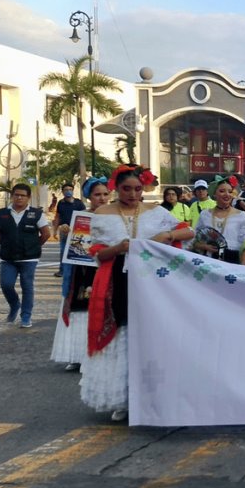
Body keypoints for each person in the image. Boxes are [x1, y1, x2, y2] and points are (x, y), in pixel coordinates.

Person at [83, 165, 193, 421]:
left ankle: (156, 394)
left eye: (137, 189)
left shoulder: (157, 213)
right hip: (117, 281)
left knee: (153, 332)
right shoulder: (102, 213)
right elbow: (96, 253)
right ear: (116, 188)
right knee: (123, 333)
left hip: (152, 281)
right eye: (126, 189)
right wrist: (119, 248)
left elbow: (189, 231)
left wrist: (166, 234)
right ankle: (123, 397)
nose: (133, 194)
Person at [51, 177, 111, 372]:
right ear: (89, 197)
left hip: (107, 269)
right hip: (82, 271)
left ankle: (104, 352)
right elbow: (74, 244)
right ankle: (77, 355)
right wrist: (65, 230)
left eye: (105, 194)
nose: (102, 198)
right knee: (79, 309)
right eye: (97, 195)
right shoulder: (82, 218)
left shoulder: (116, 216)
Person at [0, 183, 51, 328]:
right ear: (12, 196)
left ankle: (26, 316)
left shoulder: (36, 214)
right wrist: (8, 242)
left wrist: (34, 246)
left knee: (27, 286)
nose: (19, 198)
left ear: (28, 198)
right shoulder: (1, 213)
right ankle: (14, 304)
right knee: (6, 284)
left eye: (22, 195)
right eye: (16, 195)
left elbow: (45, 234)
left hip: (29, 259)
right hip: (8, 258)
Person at [194, 178, 245, 265]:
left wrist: (243, 266)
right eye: (222, 191)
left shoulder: (241, 215)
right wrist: (204, 246)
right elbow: (195, 239)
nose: (227, 194)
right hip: (209, 263)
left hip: (232, 262)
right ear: (214, 194)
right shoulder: (205, 214)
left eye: (230, 191)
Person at [52, 182, 85, 282]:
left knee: (77, 251)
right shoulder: (61, 203)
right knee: (63, 251)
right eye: (66, 190)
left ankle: (78, 271)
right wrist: (55, 231)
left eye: (70, 189)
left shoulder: (78, 203)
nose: (68, 191)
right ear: (62, 192)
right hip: (64, 231)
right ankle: (62, 271)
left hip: (77, 231)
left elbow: (85, 216)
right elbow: (57, 217)